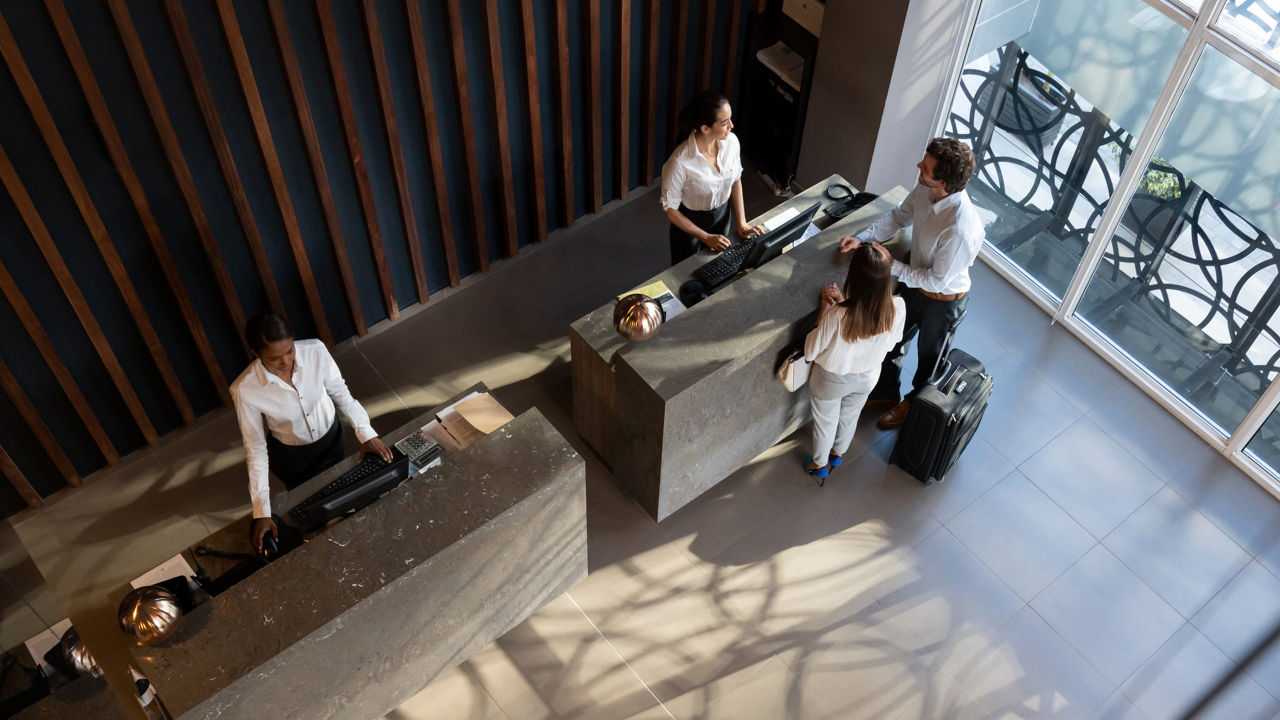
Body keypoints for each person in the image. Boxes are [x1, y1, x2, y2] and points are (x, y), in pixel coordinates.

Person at [838, 137, 984, 430]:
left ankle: (914, 405)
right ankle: (885, 392)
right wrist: (863, 238)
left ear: (943, 182)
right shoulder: (925, 188)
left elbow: (936, 280)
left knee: (929, 361)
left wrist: (891, 265)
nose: (919, 166)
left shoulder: (960, 228)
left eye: (926, 167)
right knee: (891, 338)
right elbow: (898, 217)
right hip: (914, 283)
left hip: (943, 301)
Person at [231, 313, 392, 551]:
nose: (286, 362)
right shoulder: (245, 389)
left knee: (343, 491)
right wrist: (261, 511)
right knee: (313, 510)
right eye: (274, 358)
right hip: (292, 459)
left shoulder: (315, 350)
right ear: (256, 354)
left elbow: (341, 394)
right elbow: (255, 449)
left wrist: (367, 434)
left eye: (289, 351)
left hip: (332, 440)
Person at [802, 242, 906, 480]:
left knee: (825, 422)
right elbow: (891, 343)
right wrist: (843, 303)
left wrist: (825, 309)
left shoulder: (836, 314)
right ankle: (837, 454)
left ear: (854, 278)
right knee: (850, 415)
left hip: (831, 379)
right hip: (868, 376)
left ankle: (819, 465)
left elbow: (810, 351)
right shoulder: (898, 307)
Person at [660, 90, 764, 265]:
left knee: (716, 265)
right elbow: (670, 210)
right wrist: (706, 237)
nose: (731, 125)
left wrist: (742, 223)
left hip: (722, 215)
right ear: (705, 128)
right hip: (690, 221)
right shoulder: (679, 162)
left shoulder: (732, 142)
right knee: (684, 272)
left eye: (730, 119)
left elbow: (735, 180)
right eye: (724, 122)